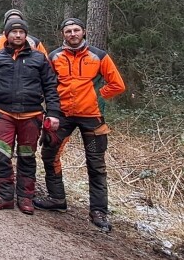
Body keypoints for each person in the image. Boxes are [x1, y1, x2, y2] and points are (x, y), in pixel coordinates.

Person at [34, 17, 126, 232]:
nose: (73, 34)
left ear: (83, 32)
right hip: (62, 115)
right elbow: (46, 83)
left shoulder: (99, 56)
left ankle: (99, 210)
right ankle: (57, 198)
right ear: (63, 34)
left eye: (76, 30)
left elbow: (117, 84)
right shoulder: (55, 56)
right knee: (49, 153)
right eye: (68, 31)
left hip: (92, 118)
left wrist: (97, 96)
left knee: (95, 163)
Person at [0, 18, 62, 214]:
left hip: (31, 115)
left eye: (21, 32)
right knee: (0, 155)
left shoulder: (39, 59)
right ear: (6, 34)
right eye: (13, 32)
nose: (17, 35)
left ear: (26, 35)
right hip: (3, 113)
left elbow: (50, 86)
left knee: (27, 156)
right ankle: (5, 195)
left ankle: (25, 197)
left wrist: (54, 113)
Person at [0, 8, 49, 185]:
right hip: (0, 104)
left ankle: (23, 189)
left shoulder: (35, 43)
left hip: (29, 106)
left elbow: (46, 69)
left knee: (26, 151)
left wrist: (39, 93)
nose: (17, 34)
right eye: (12, 24)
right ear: (6, 26)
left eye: (20, 27)